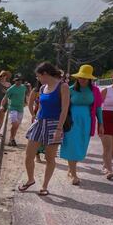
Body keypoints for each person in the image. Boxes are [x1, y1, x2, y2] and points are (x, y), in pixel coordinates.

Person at [19, 62, 70, 196]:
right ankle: (30, 180)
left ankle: (45, 186)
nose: (38, 79)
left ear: (45, 74)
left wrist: (59, 129)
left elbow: (64, 109)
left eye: (38, 76)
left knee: (49, 158)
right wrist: (35, 118)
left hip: (54, 124)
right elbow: (41, 106)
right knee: (29, 155)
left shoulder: (63, 86)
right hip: (40, 122)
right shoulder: (42, 88)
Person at [59, 64, 104, 185]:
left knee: (81, 145)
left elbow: (98, 108)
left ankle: (70, 168)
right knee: (72, 144)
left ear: (90, 79)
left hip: (86, 122)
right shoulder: (70, 89)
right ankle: (73, 174)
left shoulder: (95, 91)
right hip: (71, 122)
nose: (82, 79)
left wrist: (101, 123)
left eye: (85, 78)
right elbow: (63, 107)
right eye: (80, 77)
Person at [2, 75, 27, 146]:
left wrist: (25, 101)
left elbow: (24, 95)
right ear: (14, 81)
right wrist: (2, 106)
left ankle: (11, 139)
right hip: (12, 108)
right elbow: (5, 98)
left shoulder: (23, 87)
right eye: (17, 80)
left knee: (16, 126)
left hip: (20, 109)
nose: (18, 81)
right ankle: (11, 139)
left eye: (20, 80)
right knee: (15, 124)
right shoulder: (11, 89)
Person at [27, 80, 45, 162]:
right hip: (37, 115)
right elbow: (30, 103)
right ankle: (37, 155)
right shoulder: (35, 90)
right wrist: (32, 115)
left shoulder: (52, 89)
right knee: (37, 137)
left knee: (46, 136)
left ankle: (45, 153)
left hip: (49, 116)